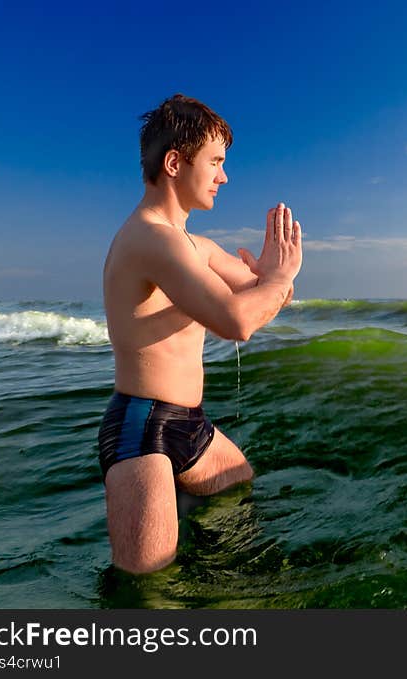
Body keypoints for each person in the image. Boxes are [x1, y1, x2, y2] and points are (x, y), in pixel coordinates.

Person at [98, 94, 302, 574]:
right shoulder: (150, 238)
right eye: (214, 162)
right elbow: (236, 321)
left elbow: (263, 298)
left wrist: (276, 277)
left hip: (187, 423)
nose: (223, 176)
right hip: (141, 431)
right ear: (174, 162)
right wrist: (274, 282)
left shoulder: (194, 245)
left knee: (237, 482)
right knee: (149, 594)